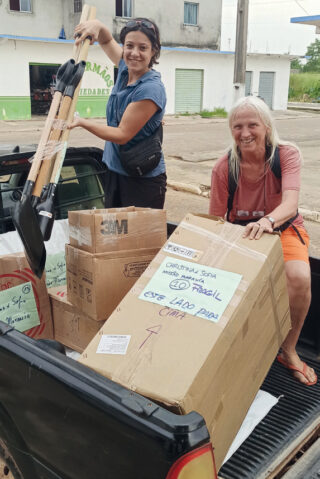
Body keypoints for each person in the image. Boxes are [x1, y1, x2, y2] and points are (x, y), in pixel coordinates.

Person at [209, 95, 317, 386]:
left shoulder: (287, 155)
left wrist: (267, 220)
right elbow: (217, 222)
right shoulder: (223, 168)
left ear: (267, 126)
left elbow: (291, 204)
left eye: (252, 125)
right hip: (240, 233)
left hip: (282, 227)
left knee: (299, 277)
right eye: (237, 126)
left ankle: (288, 349)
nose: (245, 133)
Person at [69, 17, 167, 208]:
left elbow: (122, 135)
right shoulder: (124, 69)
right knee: (113, 234)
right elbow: (105, 41)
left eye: (143, 48)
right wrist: (98, 26)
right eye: (129, 46)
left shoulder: (151, 89)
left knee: (137, 237)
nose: (134, 53)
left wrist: (81, 122)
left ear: (153, 51)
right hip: (115, 171)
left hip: (142, 180)